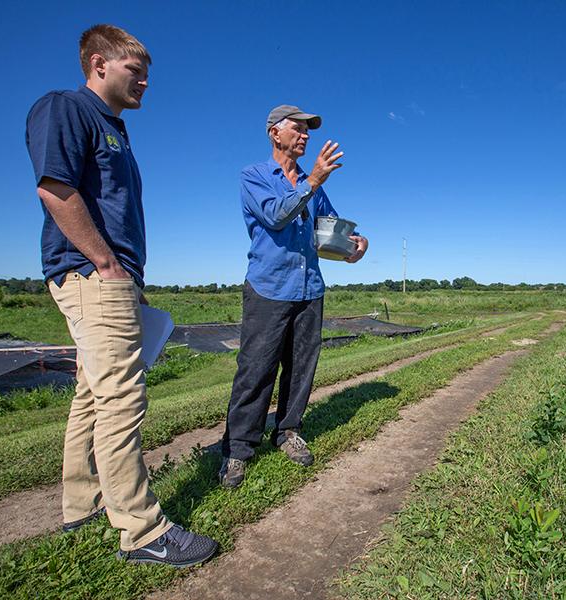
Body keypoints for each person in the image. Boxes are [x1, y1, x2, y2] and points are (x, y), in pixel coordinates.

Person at [25, 24, 217, 567]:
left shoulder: (117, 131)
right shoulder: (66, 107)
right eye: (136, 71)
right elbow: (55, 189)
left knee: (92, 393)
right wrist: (106, 263)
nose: (145, 83)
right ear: (98, 63)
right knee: (121, 398)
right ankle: (143, 531)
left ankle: (81, 505)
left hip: (112, 277)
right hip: (92, 274)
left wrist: (128, 273)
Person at [219, 105, 368, 487]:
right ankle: (238, 450)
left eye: (308, 130)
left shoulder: (313, 184)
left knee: (301, 366)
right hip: (269, 287)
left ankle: (287, 431)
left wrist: (353, 245)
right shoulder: (254, 177)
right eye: (297, 129)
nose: (304, 135)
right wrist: (313, 181)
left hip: (309, 289)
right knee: (256, 369)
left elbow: (327, 235)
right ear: (274, 133)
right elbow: (275, 216)